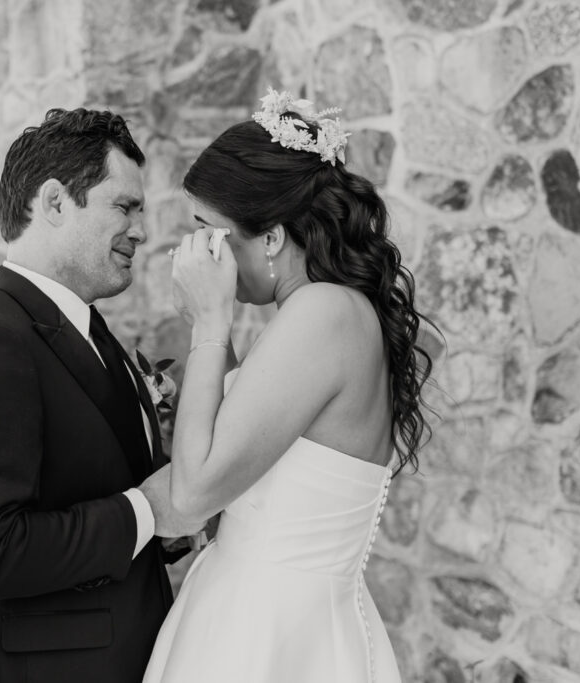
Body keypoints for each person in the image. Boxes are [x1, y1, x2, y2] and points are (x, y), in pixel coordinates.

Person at [143, 90, 437, 682]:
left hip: (274, 638)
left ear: (272, 238)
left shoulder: (324, 315)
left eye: (208, 232)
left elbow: (196, 490)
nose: (196, 251)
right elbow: (224, 463)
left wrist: (208, 320)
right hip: (251, 615)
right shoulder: (317, 316)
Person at [0, 108, 200, 683]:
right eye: (124, 206)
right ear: (53, 203)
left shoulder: (94, 333)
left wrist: (167, 526)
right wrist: (146, 510)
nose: (142, 231)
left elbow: (96, 487)